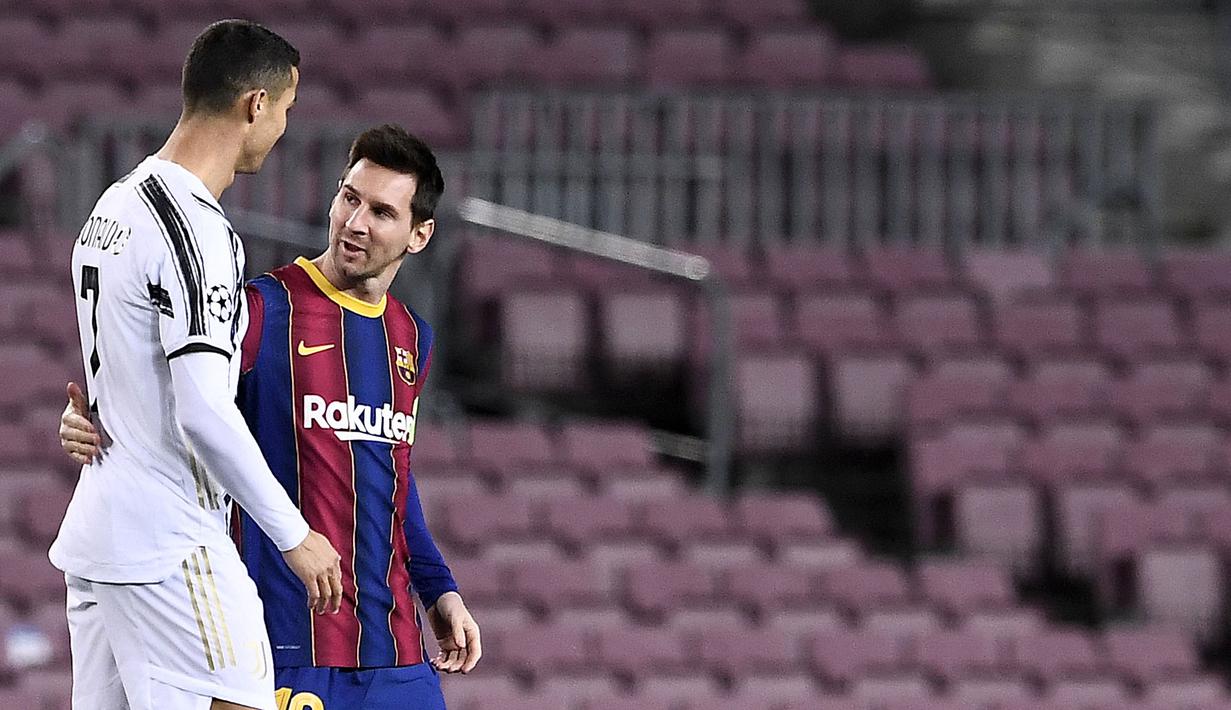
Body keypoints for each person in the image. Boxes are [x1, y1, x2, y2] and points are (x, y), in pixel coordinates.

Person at [61, 123, 481, 710]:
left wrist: (440, 590)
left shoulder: (413, 337)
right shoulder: (260, 309)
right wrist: (92, 418)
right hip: (286, 647)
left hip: (395, 654)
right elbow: (172, 395)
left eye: (382, 212)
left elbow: (393, 482)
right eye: (349, 198)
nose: (355, 223)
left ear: (419, 234)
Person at [51, 19, 345, 710]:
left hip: (102, 536)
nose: (282, 132)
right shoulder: (196, 230)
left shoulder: (113, 205)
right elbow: (203, 412)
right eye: (286, 111)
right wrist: (294, 535)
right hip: (169, 543)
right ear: (255, 105)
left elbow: (119, 369)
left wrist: (81, 416)